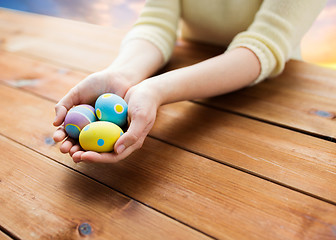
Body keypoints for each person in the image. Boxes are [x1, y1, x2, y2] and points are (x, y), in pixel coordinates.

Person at [53, 0, 326, 163]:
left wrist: (155, 89)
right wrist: (121, 75)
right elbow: (156, 24)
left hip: (276, 102)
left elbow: (263, 46)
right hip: (190, 74)